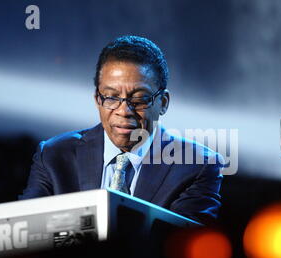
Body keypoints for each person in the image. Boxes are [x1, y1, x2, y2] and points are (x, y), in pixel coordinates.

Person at [20, 35, 224, 224]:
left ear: (163, 103)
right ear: (97, 99)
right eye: (111, 97)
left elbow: (180, 249)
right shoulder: (53, 155)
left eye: (139, 98)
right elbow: (27, 230)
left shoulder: (198, 166)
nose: (124, 111)